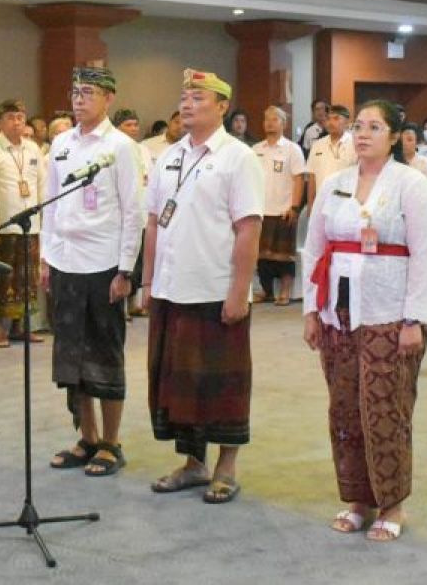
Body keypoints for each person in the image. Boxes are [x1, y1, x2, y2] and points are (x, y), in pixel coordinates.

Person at [302, 99, 427, 542]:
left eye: (374, 127)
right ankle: (357, 499)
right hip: (338, 312)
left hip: (390, 312)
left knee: (385, 406)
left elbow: (425, 256)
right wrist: (311, 310)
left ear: (395, 136)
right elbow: (314, 248)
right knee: (344, 407)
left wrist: (414, 318)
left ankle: (392, 502)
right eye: (358, 126)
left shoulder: (411, 184)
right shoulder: (335, 183)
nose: (362, 134)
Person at [144, 70, 263, 504]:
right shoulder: (168, 156)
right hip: (172, 287)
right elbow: (154, 221)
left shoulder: (238, 157)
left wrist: (239, 291)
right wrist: (148, 281)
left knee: (222, 383)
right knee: (180, 384)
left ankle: (226, 467)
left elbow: (248, 228)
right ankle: (193, 463)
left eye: (198, 97)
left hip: (215, 288)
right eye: (184, 97)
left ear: (222, 106)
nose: (187, 104)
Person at [43, 66, 142, 477]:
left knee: (104, 353)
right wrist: (46, 257)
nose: (79, 99)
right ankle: (87, 437)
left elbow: (133, 211)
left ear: (108, 99)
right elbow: (50, 204)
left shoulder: (121, 147)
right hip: (65, 261)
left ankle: (111, 443)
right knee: (71, 357)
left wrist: (126, 269)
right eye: (75, 92)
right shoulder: (61, 143)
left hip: (103, 263)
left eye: (88, 92)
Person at [0, 99, 45, 346]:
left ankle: (21, 326)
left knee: (27, 277)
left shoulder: (33, 149)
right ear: (0, 122)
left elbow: (41, 183)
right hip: (4, 222)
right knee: (2, 277)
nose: (16, 122)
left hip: (31, 222)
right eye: (10, 118)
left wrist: (43, 213)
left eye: (20, 117)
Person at [252, 106, 305, 305]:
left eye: (275, 119)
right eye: (267, 119)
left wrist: (294, 207)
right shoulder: (255, 149)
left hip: (283, 209)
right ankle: (267, 292)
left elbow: (299, 179)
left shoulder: (292, 149)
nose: (270, 123)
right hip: (260, 209)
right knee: (262, 256)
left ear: (284, 124)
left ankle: (285, 291)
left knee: (284, 256)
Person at [114, 108, 153, 317]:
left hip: (143, 212)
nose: (133, 129)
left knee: (139, 262)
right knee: (123, 263)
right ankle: (120, 305)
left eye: (135, 124)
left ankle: (132, 303)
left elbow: (150, 179)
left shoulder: (144, 149)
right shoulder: (114, 148)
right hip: (121, 215)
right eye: (128, 125)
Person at [305, 104, 353, 204]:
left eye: (336, 118)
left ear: (347, 122)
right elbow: (312, 177)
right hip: (322, 202)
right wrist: (310, 205)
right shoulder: (317, 145)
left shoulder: (355, 145)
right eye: (328, 119)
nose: (331, 122)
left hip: (346, 202)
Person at [400, 123, 427, 192]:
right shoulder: (393, 162)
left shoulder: (426, 164)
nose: (404, 143)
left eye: (409, 140)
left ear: (417, 142)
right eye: (401, 140)